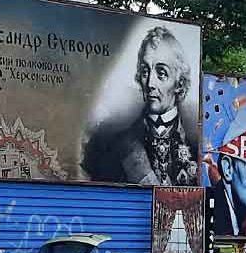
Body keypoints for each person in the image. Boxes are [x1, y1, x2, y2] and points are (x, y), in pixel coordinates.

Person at [82, 27, 197, 187]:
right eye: (145, 71)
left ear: (179, 83)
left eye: (161, 73)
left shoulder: (197, 145)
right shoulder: (115, 145)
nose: (150, 83)